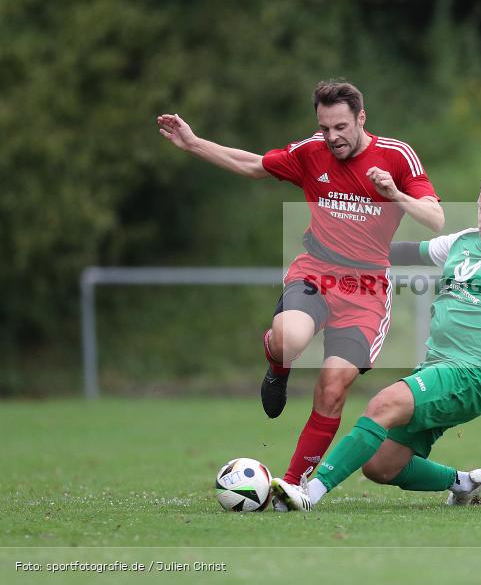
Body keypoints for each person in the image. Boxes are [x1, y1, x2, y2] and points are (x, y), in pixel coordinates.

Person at [157, 80, 444, 487]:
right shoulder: (312, 152)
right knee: (288, 339)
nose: (332, 137)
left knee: (332, 388)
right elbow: (254, 165)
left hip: (366, 291)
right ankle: (278, 366)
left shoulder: (396, 156)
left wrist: (395, 193)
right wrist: (193, 144)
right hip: (317, 271)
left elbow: (435, 218)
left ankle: (292, 485)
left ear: (361, 118)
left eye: (341, 127)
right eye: (325, 127)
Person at [268, 172, 481, 511]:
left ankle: (308, 492)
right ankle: (462, 483)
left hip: (473, 374)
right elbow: (398, 252)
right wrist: (338, 250)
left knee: (382, 404)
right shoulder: (462, 241)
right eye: (480, 209)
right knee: (381, 466)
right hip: (436, 367)